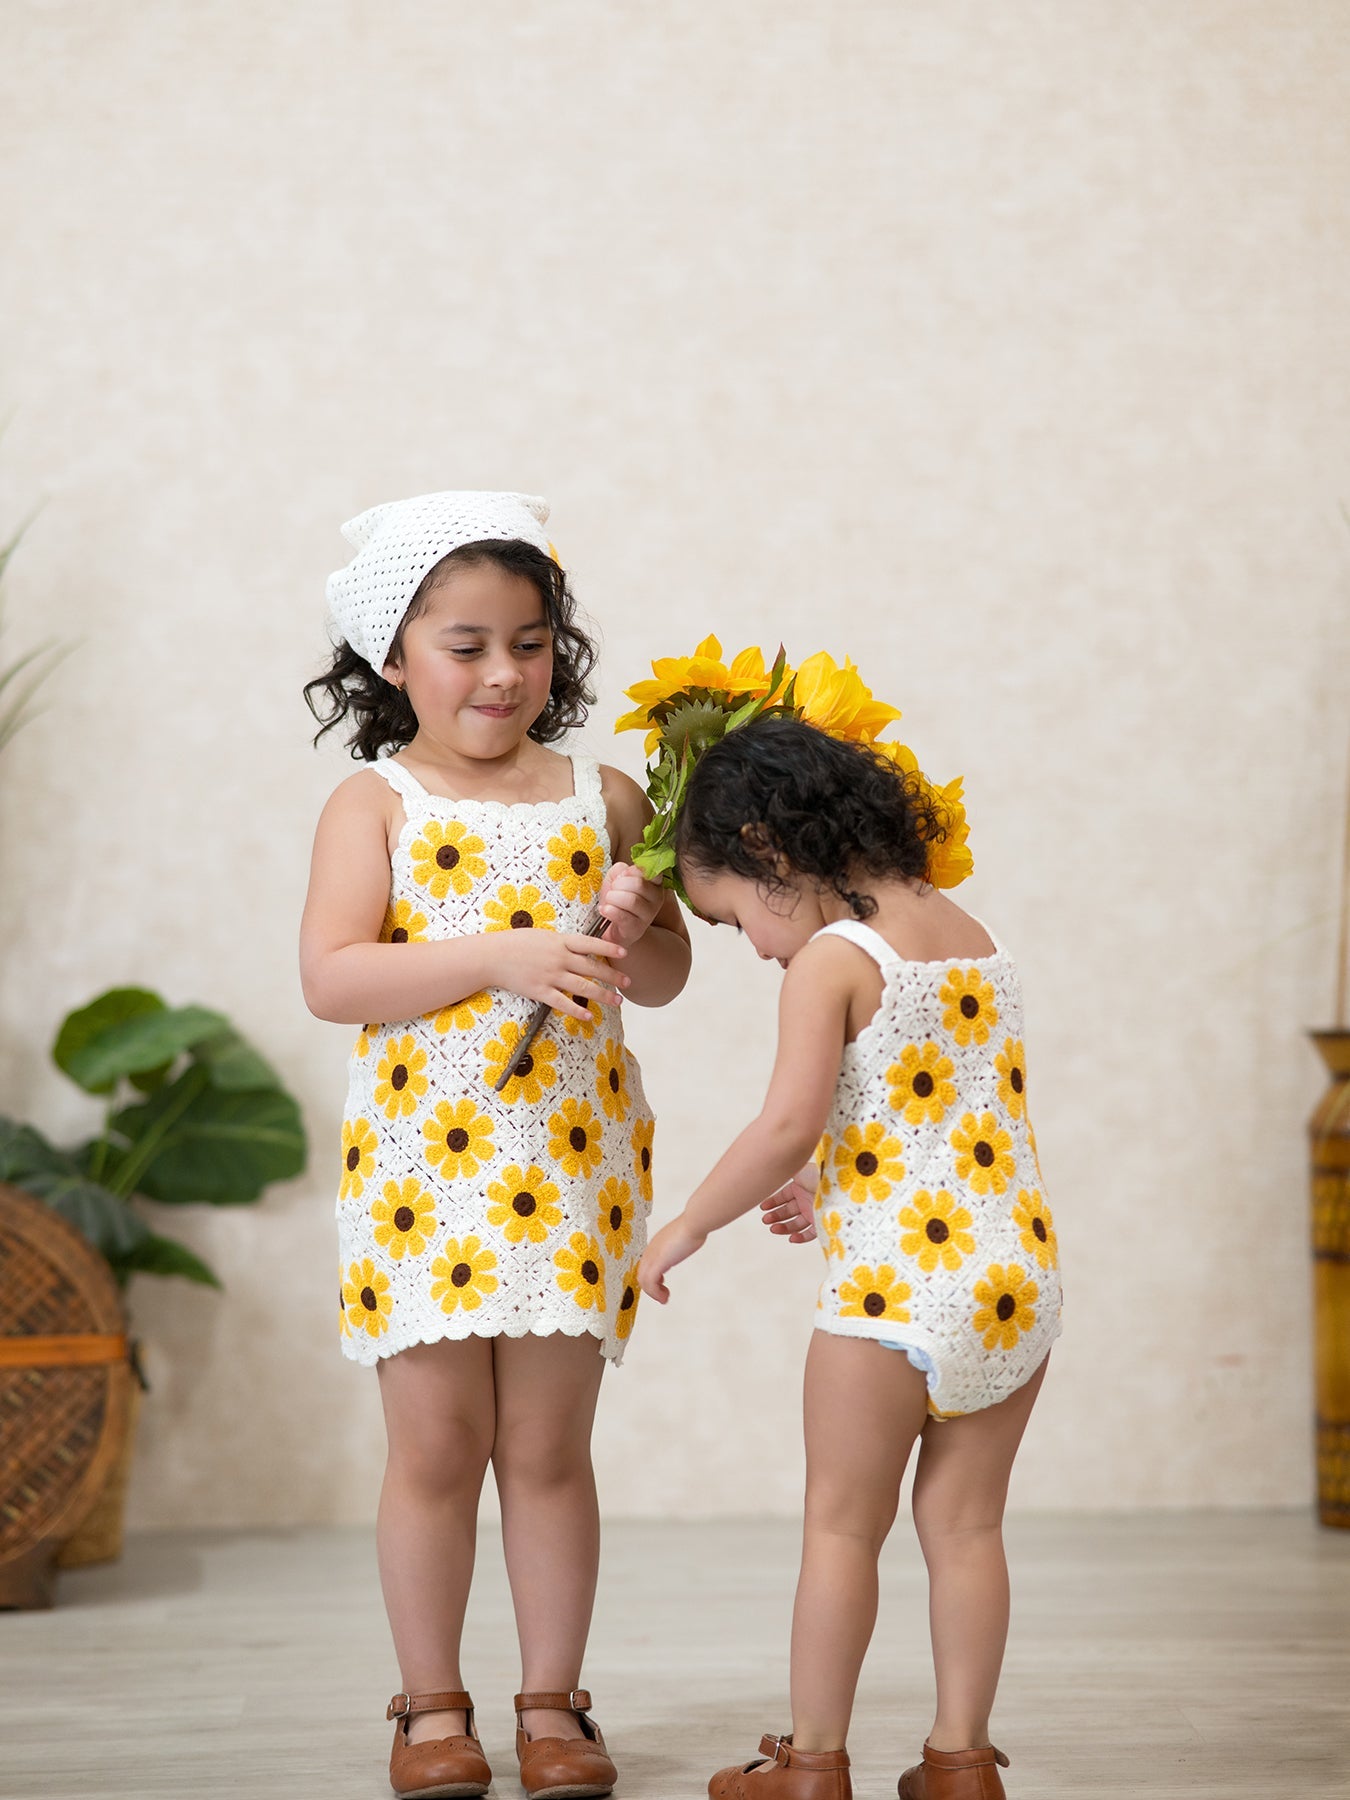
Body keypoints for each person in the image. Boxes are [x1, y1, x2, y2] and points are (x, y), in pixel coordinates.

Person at [301, 491, 690, 1800]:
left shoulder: (607, 795)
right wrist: (503, 954)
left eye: (528, 642)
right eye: (464, 645)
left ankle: (549, 1702)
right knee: (433, 1449)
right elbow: (335, 977)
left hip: (570, 1164)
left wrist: (641, 926)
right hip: (423, 1175)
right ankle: (428, 1705)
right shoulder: (378, 802)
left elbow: (668, 982)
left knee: (546, 1451)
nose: (502, 673)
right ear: (391, 656)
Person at [638, 715, 1060, 1800]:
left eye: (736, 922)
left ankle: (813, 1762)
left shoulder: (833, 958)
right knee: (966, 1526)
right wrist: (831, 1182)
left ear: (767, 851)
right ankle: (961, 1758)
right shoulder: (973, 932)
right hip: (1015, 1279)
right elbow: (944, 1116)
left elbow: (785, 1122)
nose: (758, 948)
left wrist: (687, 1222)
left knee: (841, 1527)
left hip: (896, 1294)